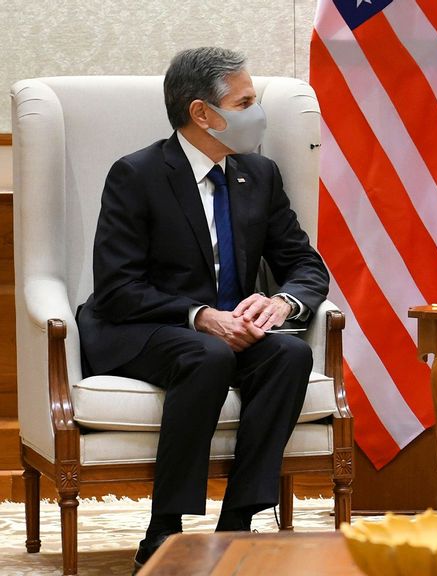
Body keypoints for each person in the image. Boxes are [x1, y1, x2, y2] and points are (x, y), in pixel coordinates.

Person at [76, 47, 329, 572]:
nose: (257, 112)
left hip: (229, 330)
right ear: (203, 114)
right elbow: (118, 288)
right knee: (206, 356)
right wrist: (200, 315)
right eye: (246, 101)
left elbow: (306, 265)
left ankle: (239, 525)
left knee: (288, 358)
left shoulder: (259, 174)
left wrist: (281, 302)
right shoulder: (137, 174)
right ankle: (164, 529)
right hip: (147, 328)